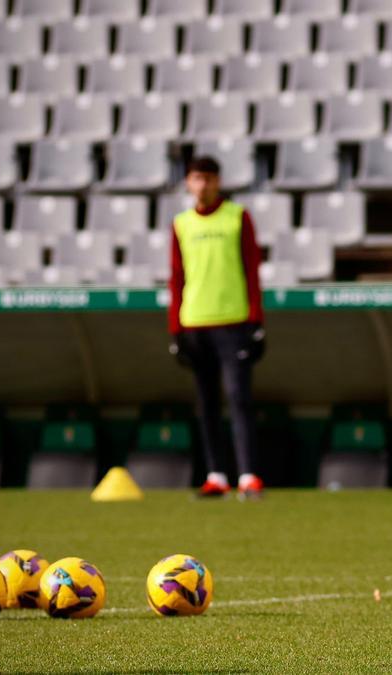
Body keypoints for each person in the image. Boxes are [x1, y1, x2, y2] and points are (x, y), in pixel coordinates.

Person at [167, 156, 266, 500]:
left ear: (218, 181)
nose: (204, 185)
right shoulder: (181, 223)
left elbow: (252, 270)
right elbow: (176, 277)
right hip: (195, 323)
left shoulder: (237, 217)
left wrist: (256, 320)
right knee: (206, 403)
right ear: (188, 183)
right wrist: (175, 327)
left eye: (209, 178)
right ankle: (216, 476)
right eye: (197, 178)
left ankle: (249, 475)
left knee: (239, 398)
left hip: (234, 322)